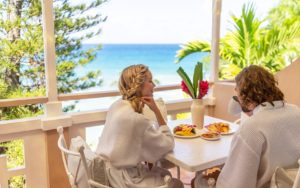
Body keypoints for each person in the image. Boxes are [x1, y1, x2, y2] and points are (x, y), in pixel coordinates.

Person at [96, 64, 183, 188]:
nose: (154, 85)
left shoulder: (116, 106)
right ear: (138, 85)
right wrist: (156, 111)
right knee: (176, 183)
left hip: (109, 175)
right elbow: (168, 144)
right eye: (150, 81)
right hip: (124, 181)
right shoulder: (137, 120)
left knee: (164, 173)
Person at [216, 65, 300, 188]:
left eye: (237, 92)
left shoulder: (252, 129)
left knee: (200, 180)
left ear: (244, 94)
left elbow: (237, 183)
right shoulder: (296, 111)